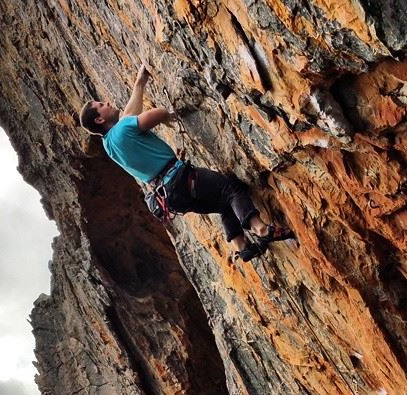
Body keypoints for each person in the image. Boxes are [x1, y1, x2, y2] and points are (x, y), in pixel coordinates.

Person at [79, 65, 294, 262]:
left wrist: (139, 83)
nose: (106, 103)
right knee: (231, 189)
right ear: (99, 119)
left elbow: (128, 116)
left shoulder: (109, 145)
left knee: (223, 204)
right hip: (179, 178)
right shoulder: (123, 128)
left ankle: (242, 247)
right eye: (101, 105)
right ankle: (261, 229)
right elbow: (156, 114)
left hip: (171, 197)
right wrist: (164, 116)